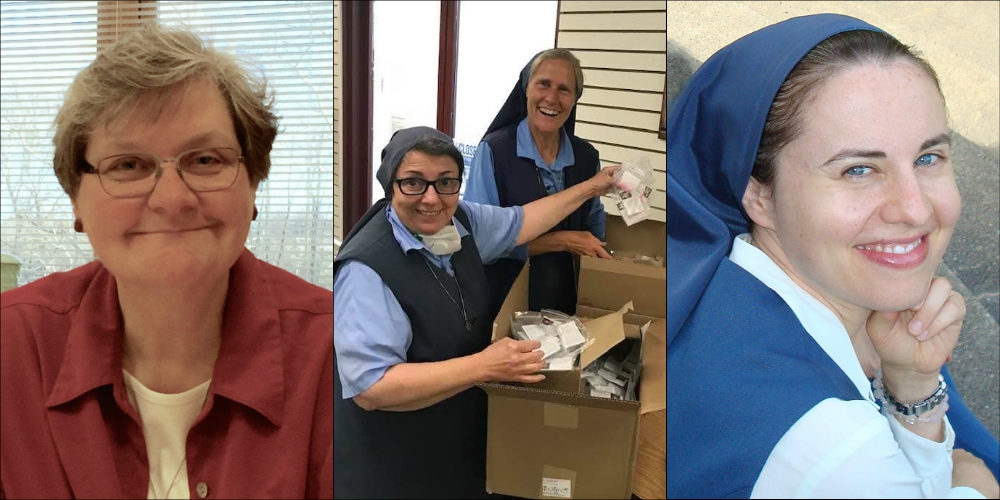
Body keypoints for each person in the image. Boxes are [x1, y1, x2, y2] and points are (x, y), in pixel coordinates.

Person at [666, 13, 1000, 498]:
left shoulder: (715, 284)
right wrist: (974, 486)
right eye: (859, 170)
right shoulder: (839, 454)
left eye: (928, 158)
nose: (915, 208)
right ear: (757, 196)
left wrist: (912, 387)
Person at [0, 23, 332, 499]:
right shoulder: (11, 350)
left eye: (205, 160)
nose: (172, 199)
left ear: (253, 183)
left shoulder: (332, 351)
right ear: (75, 199)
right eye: (128, 165)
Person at [333, 126, 620, 498]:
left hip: (452, 440)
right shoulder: (367, 271)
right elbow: (372, 388)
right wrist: (485, 366)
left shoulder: (461, 223)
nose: (432, 199)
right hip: (396, 461)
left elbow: (524, 220)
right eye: (414, 183)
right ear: (391, 186)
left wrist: (594, 186)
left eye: (446, 182)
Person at [464, 48, 612, 320]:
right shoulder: (495, 152)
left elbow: (593, 222)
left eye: (564, 89)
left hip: (568, 305)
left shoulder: (586, 157)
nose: (552, 98)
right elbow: (479, 245)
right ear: (526, 89)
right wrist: (563, 241)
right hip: (506, 303)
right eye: (543, 84)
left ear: (575, 99)